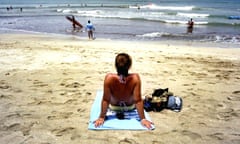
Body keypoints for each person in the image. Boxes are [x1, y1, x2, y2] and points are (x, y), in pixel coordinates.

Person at [94, 53, 154, 129]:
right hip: (130, 107)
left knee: (105, 95)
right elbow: (138, 100)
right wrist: (143, 119)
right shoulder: (135, 78)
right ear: (129, 66)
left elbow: (106, 100)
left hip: (114, 107)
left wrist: (102, 117)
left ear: (116, 65)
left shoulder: (109, 78)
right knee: (142, 97)